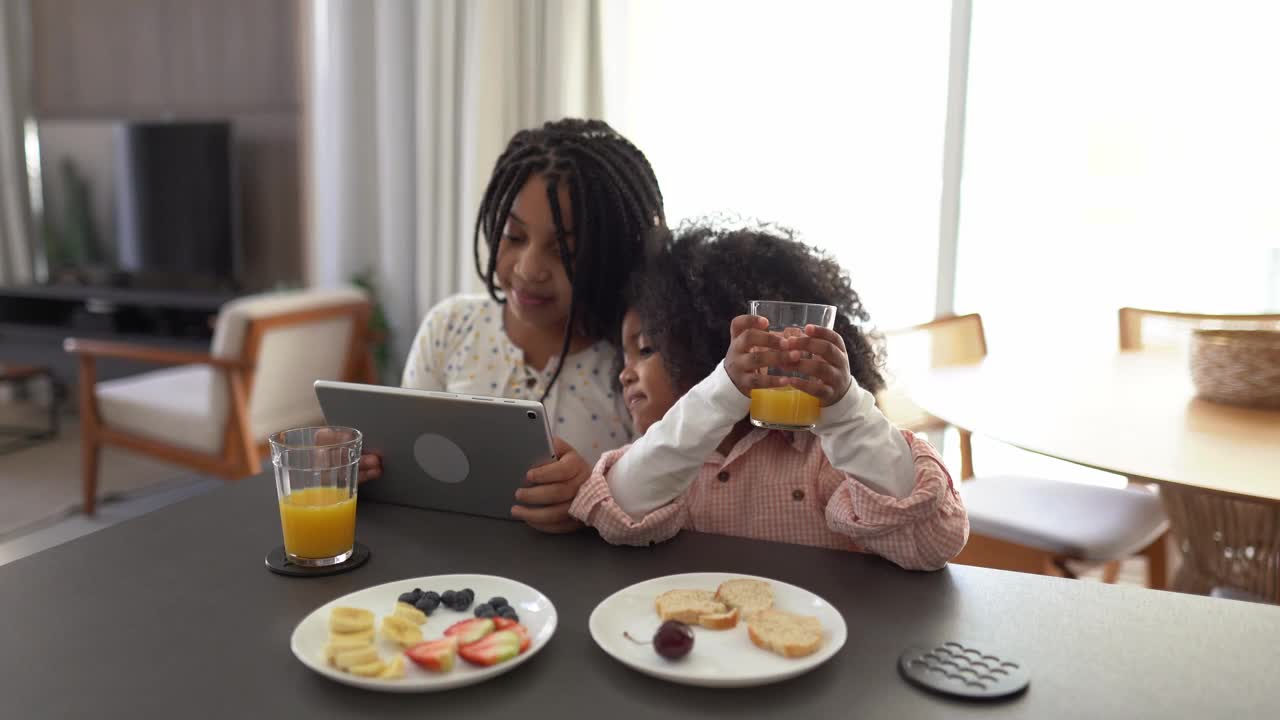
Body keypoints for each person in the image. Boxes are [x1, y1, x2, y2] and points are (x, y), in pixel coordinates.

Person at [568, 224, 968, 570]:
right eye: (625, 355)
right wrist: (719, 394)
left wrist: (844, 408)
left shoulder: (821, 459)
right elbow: (618, 511)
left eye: (646, 349)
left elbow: (932, 540)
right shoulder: (669, 459)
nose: (624, 372)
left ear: (705, 346)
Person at [362, 119, 666, 533]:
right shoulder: (451, 328)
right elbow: (407, 470)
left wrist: (595, 496)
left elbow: (667, 496)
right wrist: (369, 471)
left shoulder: (635, 362)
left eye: (564, 252)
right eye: (514, 236)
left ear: (613, 256)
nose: (529, 269)